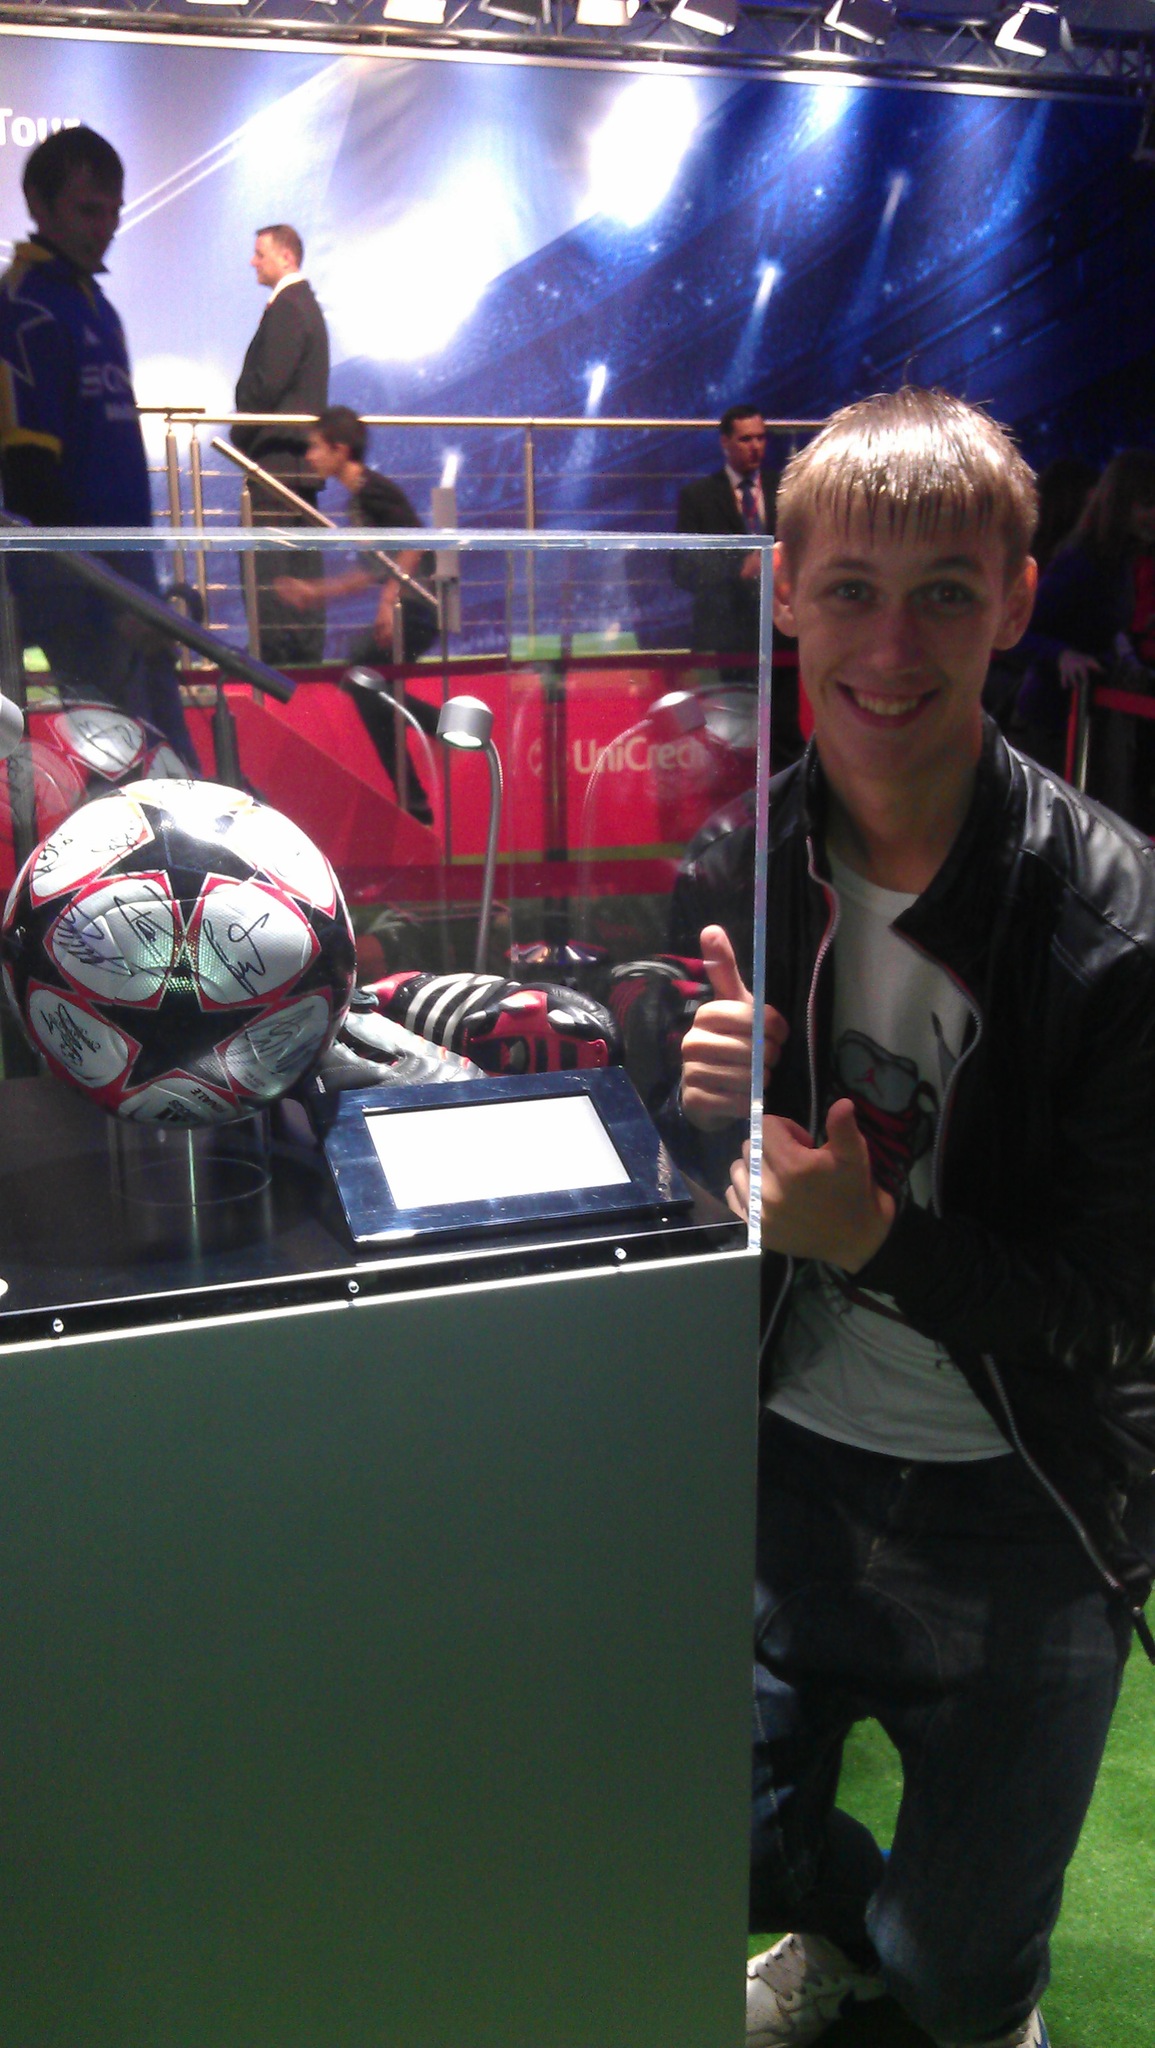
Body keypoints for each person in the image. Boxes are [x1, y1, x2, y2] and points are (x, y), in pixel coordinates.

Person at [672, 387, 1155, 2048]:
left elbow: (1115, 1309)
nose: (891, 645)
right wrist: (697, 1099)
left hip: (1023, 1496)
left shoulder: (1114, 922)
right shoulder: (736, 862)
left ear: (1015, 601)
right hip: (784, 1454)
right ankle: (839, 1924)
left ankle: (929, 1966)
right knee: (715, 1839)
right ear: (784, 595)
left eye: (943, 591)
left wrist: (869, 1238)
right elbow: (690, 1201)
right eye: (851, 591)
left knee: (959, 1975)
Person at [0, 124, 193, 758]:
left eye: (114, 210)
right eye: (88, 210)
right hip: (80, 593)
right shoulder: (23, 307)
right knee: (131, 766)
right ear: (38, 204)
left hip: (128, 580)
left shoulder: (99, 307)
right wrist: (107, 599)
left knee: (167, 758)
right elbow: (31, 477)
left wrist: (136, 589)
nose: (106, 227)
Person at [273, 405, 439, 820]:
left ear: (340, 449)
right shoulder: (358, 500)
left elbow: (415, 543)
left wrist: (388, 602)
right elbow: (371, 571)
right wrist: (315, 592)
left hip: (419, 607)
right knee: (367, 689)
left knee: (362, 683)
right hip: (409, 604)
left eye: (316, 447)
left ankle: (433, 746)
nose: (309, 456)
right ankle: (414, 794)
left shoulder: (370, 490)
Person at [1015, 449, 1155, 828]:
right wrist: (1062, 655)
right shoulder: (1081, 560)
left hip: (1087, 723)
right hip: (1052, 724)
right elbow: (1019, 630)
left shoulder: (1119, 559)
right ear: (1122, 502)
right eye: (1147, 504)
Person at [673, 403, 803, 767]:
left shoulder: (786, 491)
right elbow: (683, 569)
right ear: (725, 442)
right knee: (733, 744)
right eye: (746, 439)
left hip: (779, 637)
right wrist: (738, 568)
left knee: (783, 735)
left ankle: (786, 802)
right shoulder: (698, 497)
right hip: (727, 641)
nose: (756, 446)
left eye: (761, 438)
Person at [232, 223, 329, 667]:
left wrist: (239, 429)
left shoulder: (288, 307)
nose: (253, 261)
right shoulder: (301, 304)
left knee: (272, 571)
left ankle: (279, 665)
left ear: (286, 256)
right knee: (296, 567)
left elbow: (266, 383)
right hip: (294, 462)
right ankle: (300, 662)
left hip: (278, 459)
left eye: (260, 253)